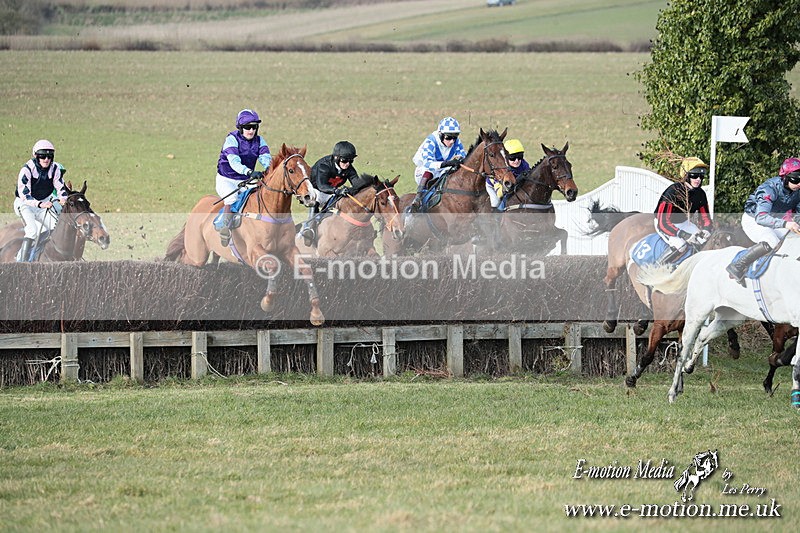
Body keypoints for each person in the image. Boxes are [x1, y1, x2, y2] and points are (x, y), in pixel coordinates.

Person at [725, 157, 800, 283]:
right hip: (754, 220)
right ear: (785, 177)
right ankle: (737, 266)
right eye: (796, 179)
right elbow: (761, 217)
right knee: (772, 240)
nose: (799, 183)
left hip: (776, 221)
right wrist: (786, 224)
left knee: (793, 239)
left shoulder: (797, 191)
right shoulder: (769, 188)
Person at [215, 108, 272, 246]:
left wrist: (269, 170)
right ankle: (225, 228)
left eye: (254, 127)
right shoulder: (231, 139)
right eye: (247, 127)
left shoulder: (260, 140)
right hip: (227, 179)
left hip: (246, 180)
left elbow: (266, 158)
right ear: (240, 128)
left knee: (260, 195)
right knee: (231, 198)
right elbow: (234, 162)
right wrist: (249, 172)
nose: (251, 130)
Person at [13, 140, 68, 262]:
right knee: (32, 230)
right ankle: (20, 263)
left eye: (49, 156)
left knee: (55, 228)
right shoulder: (27, 169)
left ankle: (39, 253)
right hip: (25, 205)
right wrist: (40, 204)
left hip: (43, 204)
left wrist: (64, 199)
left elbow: (60, 187)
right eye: (42, 156)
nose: (46, 159)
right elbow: (24, 195)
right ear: (36, 156)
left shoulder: (55, 169)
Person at [652, 156, 713, 263]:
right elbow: (663, 222)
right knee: (681, 245)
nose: (698, 179)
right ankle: (658, 267)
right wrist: (683, 235)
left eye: (701, 175)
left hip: (685, 223)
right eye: (695, 175)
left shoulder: (700, 193)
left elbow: (705, 217)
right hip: (665, 224)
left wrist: (706, 229)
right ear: (686, 175)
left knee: (703, 241)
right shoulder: (672, 192)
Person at [300, 141, 359, 246]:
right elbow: (322, 186)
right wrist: (337, 191)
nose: (348, 164)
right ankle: (308, 228)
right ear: (336, 158)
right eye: (345, 160)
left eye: (351, 161)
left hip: (332, 192)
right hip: (315, 189)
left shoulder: (349, 168)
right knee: (317, 198)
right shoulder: (324, 166)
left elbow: (357, 184)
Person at [410, 117, 467, 212]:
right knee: (429, 171)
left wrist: (459, 160)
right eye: (448, 137)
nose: (452, 141)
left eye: (455, 137)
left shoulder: (456, 142)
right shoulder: (431, 141)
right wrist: (446, 163)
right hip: (424, 171)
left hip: (442, 170)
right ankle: (418, 197)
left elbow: (463, 156)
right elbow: (427, 163)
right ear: (440, 134)